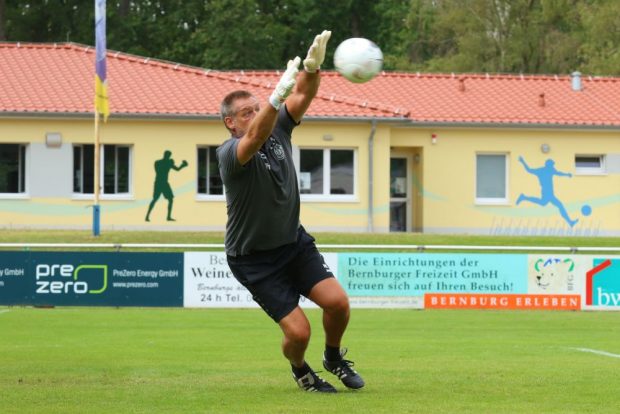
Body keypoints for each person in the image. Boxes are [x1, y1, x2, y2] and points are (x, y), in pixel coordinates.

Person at [216, 30, 364, 393]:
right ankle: (301, 369)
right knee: (299, 332)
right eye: (244, 113)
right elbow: (253, 138)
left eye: (256, 108)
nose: (253, 116)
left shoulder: (278, 128)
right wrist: (274, 97)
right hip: (254, 259)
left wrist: (313, 68)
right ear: (230, 124)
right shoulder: (229, 153)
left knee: (339, 304)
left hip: (292, 242)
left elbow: (302, 94)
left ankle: (332, 357)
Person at [145, 150, 188, 222]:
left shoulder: (158, 162)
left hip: (161, 183)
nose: (168, 157)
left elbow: (176, 169)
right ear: (167, 155)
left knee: (169, 199)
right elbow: (177, 169)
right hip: (161, 183)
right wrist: (182, 165)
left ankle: (167, 217)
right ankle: (148, 216)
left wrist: (180, 165)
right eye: (168, 155)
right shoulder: (163, 163)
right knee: (156, 199)